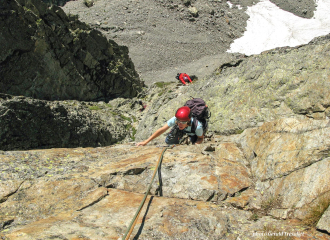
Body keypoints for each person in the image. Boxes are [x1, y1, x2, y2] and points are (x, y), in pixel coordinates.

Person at [136, 106, 204, 146]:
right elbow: (162, 129)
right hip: (185, 129)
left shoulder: (197, 126)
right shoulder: (176, 119)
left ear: (188, 120)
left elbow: (200, 138)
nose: (180, 123)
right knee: (169, 140)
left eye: (183, 122)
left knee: (192, 141)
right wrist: (146, 142)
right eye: (178, 121)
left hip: (193, 132)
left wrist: (195, 145)